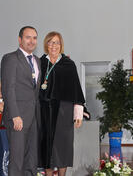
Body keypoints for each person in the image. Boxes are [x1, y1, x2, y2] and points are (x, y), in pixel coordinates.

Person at [39, 31, 85, 176]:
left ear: (61, 45)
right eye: (51, 42)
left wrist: (78, 114)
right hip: (44, 110)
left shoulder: (69, 65)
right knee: (46, 145)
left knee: (63, 145)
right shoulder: (39, 63)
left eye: (57, 42)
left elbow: (76, 90)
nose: (54, 45)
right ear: (46, 44)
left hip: (64, 111)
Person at [0, 26, 41, 176]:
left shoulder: (37, 60)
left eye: (34, 38)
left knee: (31, 160)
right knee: (17, 161)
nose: (31, 41)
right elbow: (8, 89)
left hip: (33, 117)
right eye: (28, 37)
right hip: (17, 118)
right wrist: (15, 115)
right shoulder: (10, 59)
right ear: (20, 39)